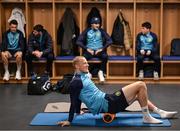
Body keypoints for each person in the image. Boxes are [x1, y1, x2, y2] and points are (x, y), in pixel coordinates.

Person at [58, 56, 178, 127]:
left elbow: (79, 96)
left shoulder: (83, 76)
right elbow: (73, 100)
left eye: (86, 62)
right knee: (141, 84)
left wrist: (78, 111)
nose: (88, 64)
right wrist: (70, 120)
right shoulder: (76, 82)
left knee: (138, 94)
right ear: (77, 66)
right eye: (84, 63)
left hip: (109, 101)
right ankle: (146, 117)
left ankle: (160, 112)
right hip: (109, 103)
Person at [76, 17, 112, 83]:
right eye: (95, 23)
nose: (97, 25)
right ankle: (87, 73)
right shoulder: (87, 31)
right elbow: (78, 41)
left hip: (99, 51)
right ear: (91, 24)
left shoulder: (101, 31)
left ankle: (100, 72)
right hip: (89, 51)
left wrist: (102, 49)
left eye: (98, 23)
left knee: (105, 57)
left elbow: (110, 40)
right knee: (83, 58)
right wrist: (87, 49)